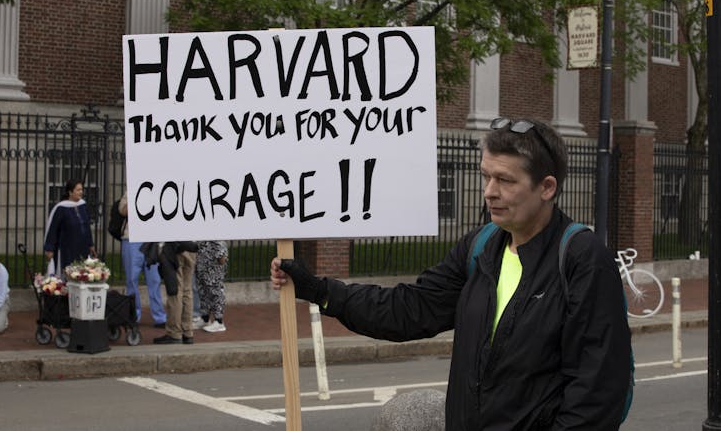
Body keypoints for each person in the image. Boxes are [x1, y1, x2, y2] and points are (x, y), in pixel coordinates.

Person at [271, 117, 632, 430]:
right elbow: (410, 309)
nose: (489, 192)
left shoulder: (582, 259)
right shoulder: (481, 247)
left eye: (505, 180)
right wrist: (321, 292)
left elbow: (596, 396)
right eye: (486, 176)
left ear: (547, 188)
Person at [117, 190, 167, 328]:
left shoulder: (157, 190)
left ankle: (159, 316)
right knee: (132, 279)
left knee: (154, 279)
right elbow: (123, 211)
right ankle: (134, 315)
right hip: (131, 238)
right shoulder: (130, 191)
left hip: (150, 239)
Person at [43, 179, 96, 277]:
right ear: (70, 192)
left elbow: (87, 227)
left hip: (82, 247)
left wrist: (90, 244)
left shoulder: (83, 206)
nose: (81, 192)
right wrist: (49, 248)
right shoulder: (61, 208)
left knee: (82, 272)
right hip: (67, 248)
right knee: (69, 271)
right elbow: (53, 229)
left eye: (81, 190)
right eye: (78, 190)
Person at [148, 241, 198, 344]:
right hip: (191, 247)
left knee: (175, 291)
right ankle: (187, 331)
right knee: (187, 291)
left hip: (175, 247)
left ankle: (174, 332)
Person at [193, 240, 228, 332]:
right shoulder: (205, 239)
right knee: (204, 296)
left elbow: (222, 258)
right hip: (203, 273)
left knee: (216, 295)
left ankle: (219, 322)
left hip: (213, 274)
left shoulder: (218, 240)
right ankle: (205, 319)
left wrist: (214, 270)